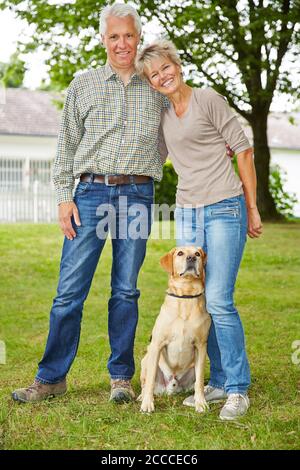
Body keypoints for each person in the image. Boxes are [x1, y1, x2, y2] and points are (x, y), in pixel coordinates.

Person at [11, 3, 169, 405]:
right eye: (114, 36)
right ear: (103, 39)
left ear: (138, 38)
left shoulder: (156, 86)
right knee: (68, 292)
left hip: (136, 195)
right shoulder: (84, 84)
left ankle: (121, 378)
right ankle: (50, 378)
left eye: (128, 36)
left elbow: (184, 128)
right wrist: (65, 198)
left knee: (126, 291)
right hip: (91, 194)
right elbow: (65, 147)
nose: (122, 44)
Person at [136, 39, 263, 420]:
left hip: (225, 204)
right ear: (150, 81)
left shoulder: (208, 99)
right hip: (188, 211)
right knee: (198, 298)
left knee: (220, 299)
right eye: (154, 74)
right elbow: (153, 155)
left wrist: (252, 208)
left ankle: (237, 387)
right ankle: (219, 380)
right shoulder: (162, 115)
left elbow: (242, 149)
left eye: (165, 67)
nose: (162, 76)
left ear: (177, 63)